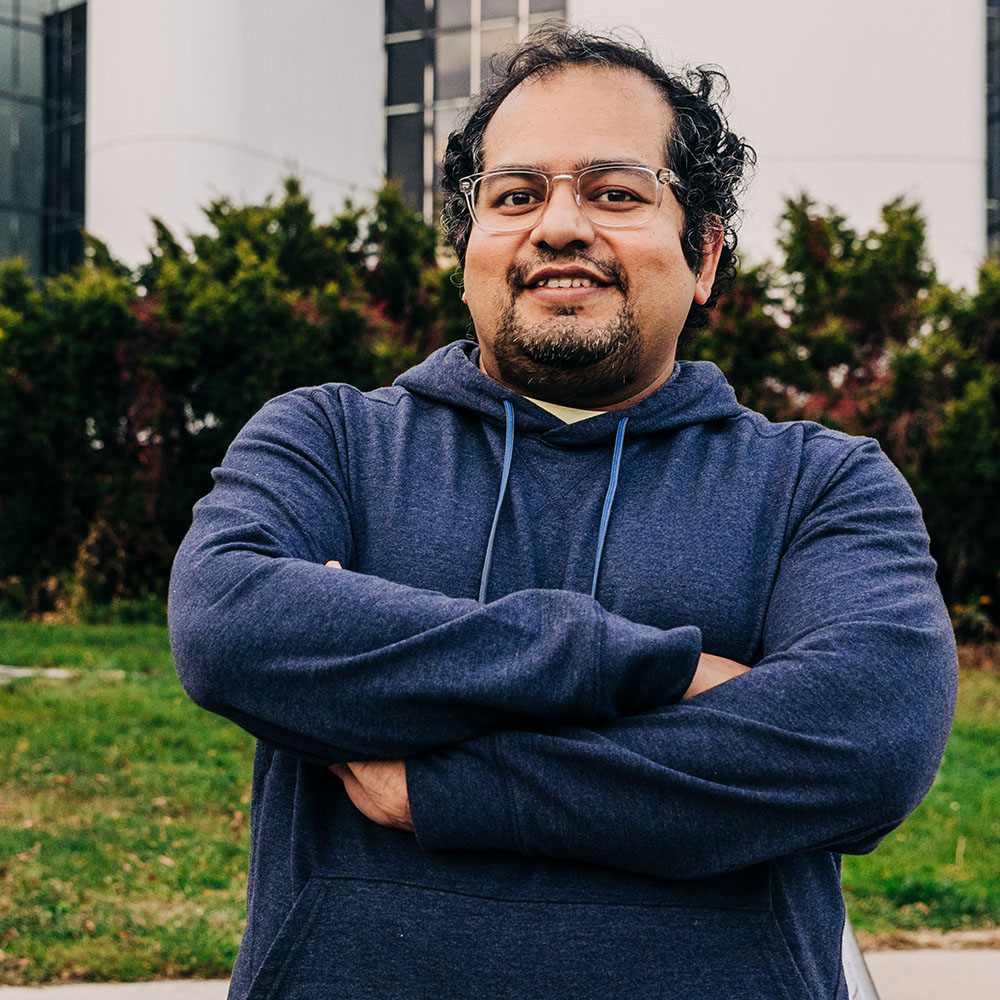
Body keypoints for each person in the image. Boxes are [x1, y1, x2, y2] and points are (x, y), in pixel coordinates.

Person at [168, 26, 957, 1000]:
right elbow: (229, 625)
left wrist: (443, 787)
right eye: (515, 194)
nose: (558, 225)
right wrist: (655, 669)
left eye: (615, 192)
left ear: (702, 251)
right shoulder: (330, 441)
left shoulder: (817, 484)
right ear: (468, 252)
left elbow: (863, 741)